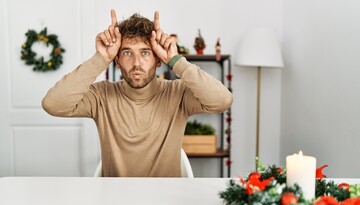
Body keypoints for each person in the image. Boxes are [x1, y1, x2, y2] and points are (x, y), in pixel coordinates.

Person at [42, 9, 233, 177]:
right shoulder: (101, 95)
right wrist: (101, 58)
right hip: (115, 202)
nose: (136, 63)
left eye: (145, 53)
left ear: (158, 60)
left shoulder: (178, 93)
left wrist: (175, 60)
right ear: (116, 60)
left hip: (167, 202)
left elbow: (222, 100)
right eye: (127, 53)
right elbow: (53, 104)